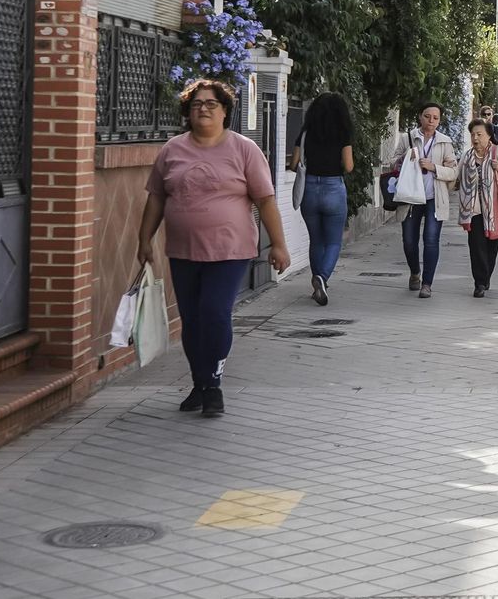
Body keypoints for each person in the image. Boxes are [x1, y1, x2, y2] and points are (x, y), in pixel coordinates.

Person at [138, 79, 289, 418]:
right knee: (191, 320)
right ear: (187, 113)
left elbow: (265, 200)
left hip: (231, 250)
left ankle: (214, 385)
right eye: (196, 104)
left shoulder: (244, 149)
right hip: (183, 249)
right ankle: (199, 383)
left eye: (211, 104)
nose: (203, 108)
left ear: (225, 112)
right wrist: (144, 239)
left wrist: (278, 244)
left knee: (214, 312)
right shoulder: (172, 150)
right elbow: (157, 198)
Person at [290, 93, 355, 306]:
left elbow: (294, 164)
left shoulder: (306, 133)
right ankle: (322, 277)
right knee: (334, 241)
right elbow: (348, 166)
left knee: (316, 240)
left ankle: (317, 283)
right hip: (333, 188)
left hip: (309, 188)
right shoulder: (343, 133)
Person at [388, 102, 459, 298]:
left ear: (440, 120)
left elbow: (454, 171)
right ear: (420, 116)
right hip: (411, 197)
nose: (431, 121)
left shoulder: (445, 142)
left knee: (431, 239)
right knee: (409, 240)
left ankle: (427, 284)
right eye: (427, 116)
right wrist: (404, 159)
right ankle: (414, 272)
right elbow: (392, 162)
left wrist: (434, 167)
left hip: (434, 198)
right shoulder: (408, 137)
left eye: (435, 118)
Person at [458, 119, 498, 297]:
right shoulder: (467, 157)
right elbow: (455, 176)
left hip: (496, 209)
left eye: (479, 134)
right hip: (473, 209)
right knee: (476, 246)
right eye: (473, 134)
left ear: (489, 136)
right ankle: (479, 283)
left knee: (492, 245)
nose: (475, 138)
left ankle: (486, 276)